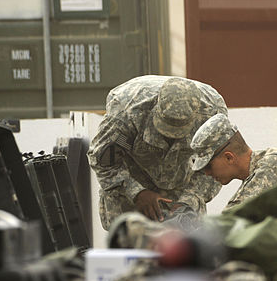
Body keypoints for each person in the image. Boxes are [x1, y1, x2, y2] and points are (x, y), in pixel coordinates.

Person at [88, 75, 227, 230]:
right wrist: (136, 192)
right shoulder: (126, 113)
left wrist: (190, 198)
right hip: (130, 184)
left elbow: (216, 165)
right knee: (130, 246)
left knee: (184, 248)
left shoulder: (212, 113)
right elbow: (104, 162)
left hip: (182, 188)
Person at [190, 113, 277, 210]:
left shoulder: (272, 164)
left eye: (208, 166)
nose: (207, 173)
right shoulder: (255, 176)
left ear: (229, 157)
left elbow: (229, 222)